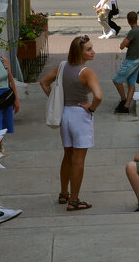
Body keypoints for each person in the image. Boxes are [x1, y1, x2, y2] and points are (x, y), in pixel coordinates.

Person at [39, 35, 102, 211]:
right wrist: (91, 108)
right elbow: (98, 96)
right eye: (88, 49)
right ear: (80, 53)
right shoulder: (86, 72)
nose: (93, 52)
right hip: (80, 116)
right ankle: (74, 200)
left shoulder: (62, 66)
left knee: (67, 155)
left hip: (64, 114)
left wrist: (54, 99)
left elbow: (44, 82)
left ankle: (63, 193)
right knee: (78, 160)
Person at [112, 11, 139, 113]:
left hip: (131, 61)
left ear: (128, 20)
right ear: (137, 19)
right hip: (138, 61)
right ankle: (126, 107)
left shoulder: (133, 31)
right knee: (131, 84)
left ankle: (123, 100)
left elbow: (122, 45)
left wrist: (127, 43)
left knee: (117, 80)